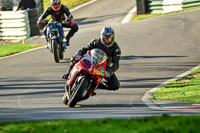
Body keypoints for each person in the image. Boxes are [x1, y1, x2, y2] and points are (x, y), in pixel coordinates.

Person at [62, 26, 121, 91]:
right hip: (91, 60)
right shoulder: (95, 42)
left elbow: (116, 64)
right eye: (105, 39)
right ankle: (68, 73)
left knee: (116, 85)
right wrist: (78, 54)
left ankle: (95, 86)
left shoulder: (116, 49)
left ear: (113, 38)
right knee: (74, 58)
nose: (107, 41)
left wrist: (110, 71)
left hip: (103, 67)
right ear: (101, 37)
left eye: (109, 39)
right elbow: (85, 49)